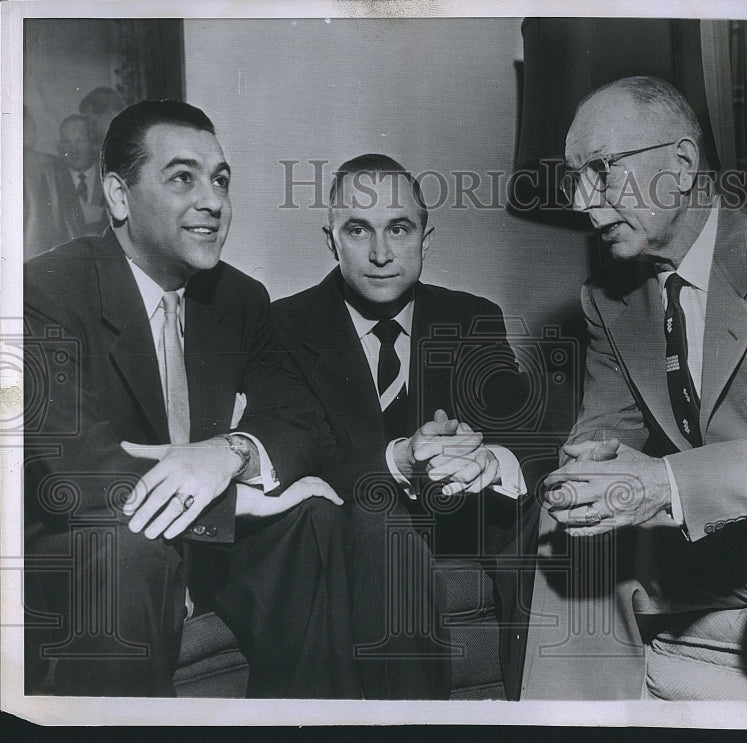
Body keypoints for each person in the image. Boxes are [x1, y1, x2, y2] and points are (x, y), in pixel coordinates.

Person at [521, 76, 747, 701]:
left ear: (682, 163)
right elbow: (600, 434)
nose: (586, 205)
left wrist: (666, 483)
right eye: (574, 179)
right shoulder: (609, 299)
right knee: (574, 517)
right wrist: (584, 473)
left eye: (602, 171)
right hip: (698, 553)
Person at [24, 100, 360, 698]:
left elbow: (302, 418)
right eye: (183, 178)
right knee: (130, 544)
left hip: (203, 552)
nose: (213, 201)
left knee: (316, 518)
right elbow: (72, 465)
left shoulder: (240, 299)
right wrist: (235, 501)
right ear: (119, 197)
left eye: (221, 180)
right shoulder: (46, 287)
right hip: (94, 546)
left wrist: (230, 452)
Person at [272, 154, 542, 699]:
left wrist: (489, 460)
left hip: (464, 516)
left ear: (426, 238)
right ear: (331, 241)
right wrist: (398, 458)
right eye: (358, 230)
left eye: (399, 228)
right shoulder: (284, 326)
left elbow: (528, 435)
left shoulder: (472, 317)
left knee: (542, 508)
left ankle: (537, 710)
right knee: (376, 511)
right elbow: (295, 455)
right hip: (358, 529)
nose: (380, 253)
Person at [23, 107, 85, 259]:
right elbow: (74, 225)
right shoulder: (53, 165)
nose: (36, 129)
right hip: (48, 262)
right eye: (32, 126)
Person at [57, 114, 106, 235]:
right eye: (67, 142)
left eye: (80, 141)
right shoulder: (53, 179)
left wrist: (102, 215)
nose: (73, 149)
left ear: (93, 144)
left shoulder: (110, 177)